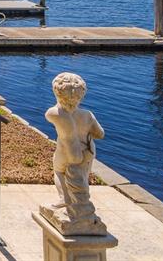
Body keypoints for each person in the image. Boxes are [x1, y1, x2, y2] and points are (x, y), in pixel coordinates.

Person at [42, 72, 108, 235]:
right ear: (81, 95)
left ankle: (65, 200)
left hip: (65, 151)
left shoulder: (53, 113)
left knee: (59, 171)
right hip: (86, 151)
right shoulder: (87, 115)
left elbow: (59, 122)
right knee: (82, 178)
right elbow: (100, 134)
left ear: (57, 92)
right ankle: (80, 206)